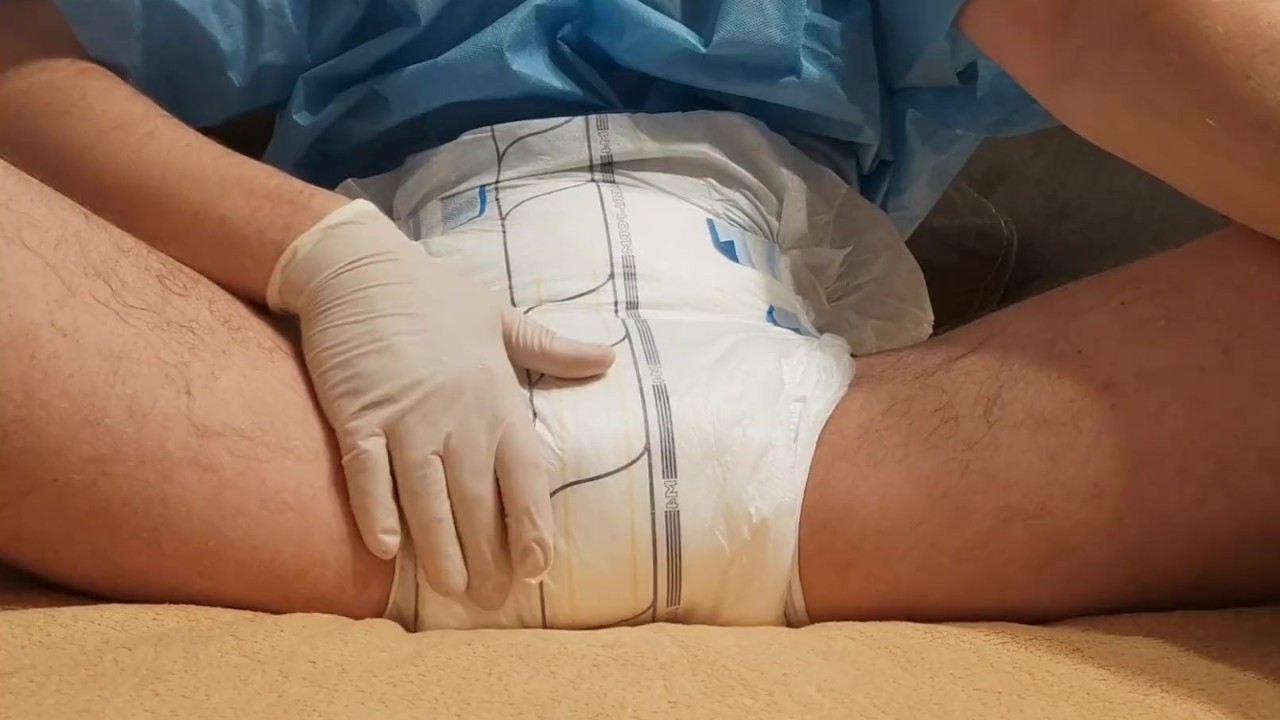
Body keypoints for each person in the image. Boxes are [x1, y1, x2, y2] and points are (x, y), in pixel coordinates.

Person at [1, 0, 1278, 630]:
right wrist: (318, 255)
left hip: (853, 459)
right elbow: (20, 59)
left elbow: (1089, 27)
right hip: (325, 434)